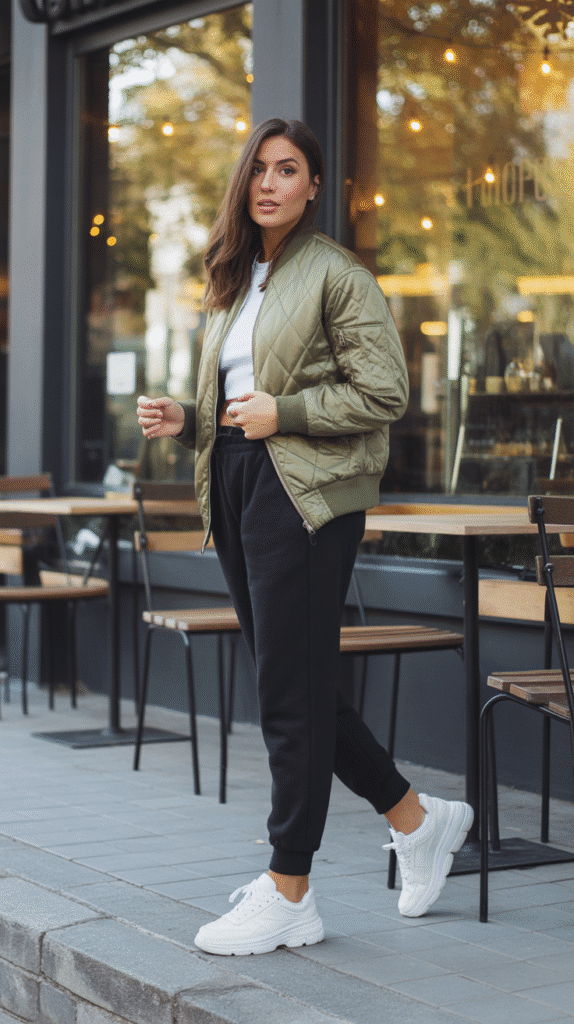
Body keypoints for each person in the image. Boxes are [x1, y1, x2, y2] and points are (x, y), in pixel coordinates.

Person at [137, 118, 473, 957]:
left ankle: (290, 888)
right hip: (244, 487)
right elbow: (237, 407)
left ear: (314, 186)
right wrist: (190, 420)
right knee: (300, 685)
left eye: (288, 170)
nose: (270, 183)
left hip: (310, 497)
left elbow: (386, 390)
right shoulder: (238, 278)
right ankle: (417, 818)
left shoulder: (339, 275)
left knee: (289, 691)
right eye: (259, 169)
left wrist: (284, 413)